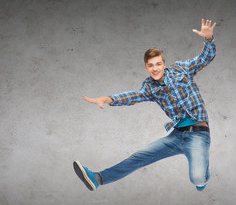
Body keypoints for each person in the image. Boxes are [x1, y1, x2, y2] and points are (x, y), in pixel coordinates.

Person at [74, 19, 216, 192]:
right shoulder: (150, 87)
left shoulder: (181, 69)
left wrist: (208, 40)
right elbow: (133, 96)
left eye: (158, 64)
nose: (155, 68)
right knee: (138, 157)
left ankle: (202, 179)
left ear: (164, 64)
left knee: (197, 178)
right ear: (146, 68)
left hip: (198, 135)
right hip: (177, 136)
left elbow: (204, 59)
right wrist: (106, 99)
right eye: (151, 66)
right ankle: (97, 178)